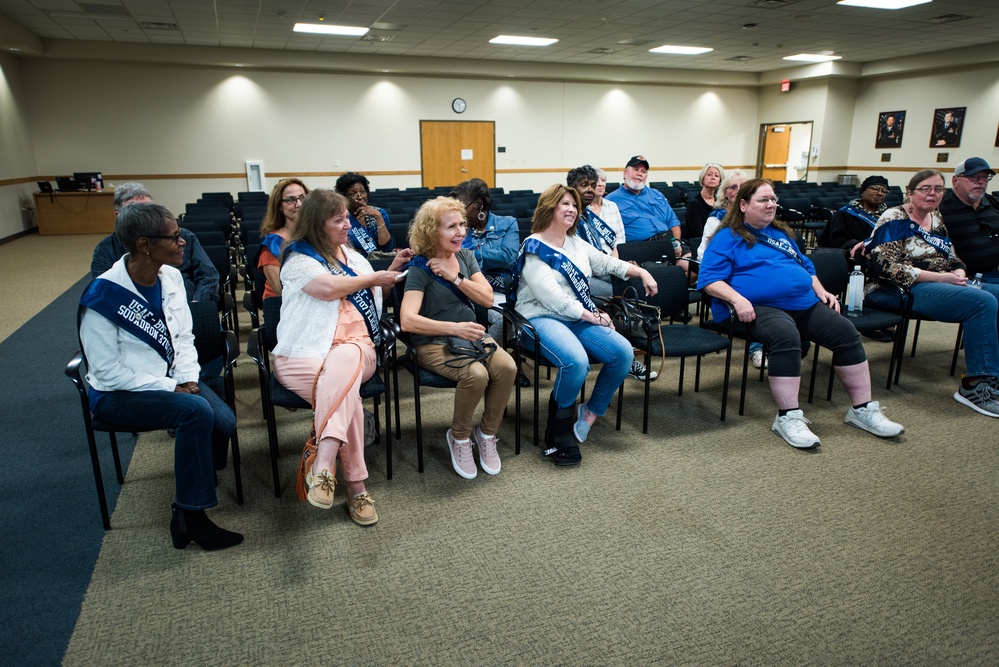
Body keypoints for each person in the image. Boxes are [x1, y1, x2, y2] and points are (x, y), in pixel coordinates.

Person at [79, 202, 241, 550]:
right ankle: (190, 516)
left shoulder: (170, 277)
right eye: (174, 236)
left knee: (224, 422)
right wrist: (172, 387)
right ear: (144, 244)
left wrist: (187, 377)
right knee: (195, 412)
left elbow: (183, 337)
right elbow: (107, 372)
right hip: (116, 394)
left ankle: (196, 474)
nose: (183, 242)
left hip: (170, 378)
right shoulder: (102, 297)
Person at [697, 178, 904, 449]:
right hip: (755, 307)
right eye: (763, 200)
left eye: (773, 199)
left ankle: (862, 410)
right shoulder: (727, 237)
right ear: (744, 205)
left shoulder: (780, 233)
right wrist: (737, 299)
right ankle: (788, 417)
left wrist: (821, 290)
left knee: (846, 333)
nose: (771, 204)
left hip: (802, 302)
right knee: (785, 335)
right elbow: (709, 280)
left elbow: (805, 266)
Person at [272, 189, 411, 524]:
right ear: (318, 224)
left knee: (346, 357)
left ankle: (323, 464)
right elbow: (328, 288)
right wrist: (375, 277)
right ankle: (357, 489)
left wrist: (388, 274)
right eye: (339, 219)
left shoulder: (356, 259)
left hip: (357, 348)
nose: (348, 224)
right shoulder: (297, 259)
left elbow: (374, 299)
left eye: (347, 217)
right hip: (301, 353)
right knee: (346, 397)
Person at [513, 184, 658, 466]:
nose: (572, 209)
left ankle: (590, 411)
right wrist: (593, 316)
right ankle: (558, 430)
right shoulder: (534, 246)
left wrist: (640, 271)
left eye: (574, 205)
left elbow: (608, 264)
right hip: (540, 317)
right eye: (564, 204)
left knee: (623, 352)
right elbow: (550, 296)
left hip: (576, 317)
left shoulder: (576, 243)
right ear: (549, 208)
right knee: (576, 361)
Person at [864, 169, 999, 418]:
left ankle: (993, 373)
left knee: (996, 293)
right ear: (910, 192)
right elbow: (886, 267)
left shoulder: (936, 218)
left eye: (938, 189)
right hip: (894, 289)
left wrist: (958, 270)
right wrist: (942, 278)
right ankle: (975, 386)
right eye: (925, 188)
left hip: (939, 283)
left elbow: (952, 255)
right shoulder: (895, 217)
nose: (932, 194)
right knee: (981, 301)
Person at [400, 197, 518, 479]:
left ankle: (487, 434)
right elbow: (407, 320)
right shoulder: (420, 267)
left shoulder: (465, 257)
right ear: (432, 231)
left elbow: (488, 298)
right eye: (451, 226)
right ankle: (460, 437)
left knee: (507, 367)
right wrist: (454, 329)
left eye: (462, 224)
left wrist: (456, 278)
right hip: (433, 343)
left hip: (471, 336)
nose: (461, 231)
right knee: (476, 375)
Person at [568, 164, 658, 382]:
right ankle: (624, 356)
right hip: (575, 280)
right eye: (584, 186)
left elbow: (603, 254)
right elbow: (588, 263)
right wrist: (620, 270)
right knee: (621, 293)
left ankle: (626, 353)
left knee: (629, 286)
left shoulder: (587, 215)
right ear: (571, 188)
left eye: (593, 185)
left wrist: (624, 267)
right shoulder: (570, 215)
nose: (590, 189)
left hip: (597, 272)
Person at [91, 182, 219, 304]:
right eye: (138, 213)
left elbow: (208, 276)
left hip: (189, 307)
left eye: (152, 210)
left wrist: (197, 305)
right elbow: (105, 293)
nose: (149, 217)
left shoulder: (183, 238)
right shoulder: (105, 249)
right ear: (119, 217)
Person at [697, 170, 768, 369]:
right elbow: (704, 254)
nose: (738, 191)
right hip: (727, 276)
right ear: (725, 193)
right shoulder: (716, 220)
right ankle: (758, 347)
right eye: (733, 187)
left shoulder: (757, 219)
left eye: (743, 187)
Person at [816, 175, 894, 343]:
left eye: (884, 191)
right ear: (863, 191)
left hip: (879, 256)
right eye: (875, 189)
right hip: (849, 256)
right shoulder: (846, 213)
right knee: (874, 265)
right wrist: (859, 245)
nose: (879, 193)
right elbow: (836, 238)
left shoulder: (889, 216)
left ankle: (884, 313)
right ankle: (868, 318)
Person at [605, 155, 691, 270]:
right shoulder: (611, 201)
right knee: (660, 272)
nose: (639, 173)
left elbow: (672, 222)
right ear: (624, 173)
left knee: (694, 266)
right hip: (641, 247)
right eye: (635, 170)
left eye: (643, 171)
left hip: (668, 241)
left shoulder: (657, 194)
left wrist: (676, 242)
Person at [449, 177, 519, 300]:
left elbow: (507, 258)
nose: (459, 215)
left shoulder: (508, 223)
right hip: (464, 287)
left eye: (463, 208)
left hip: (500, 288)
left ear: (479, 204)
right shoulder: (458, 228)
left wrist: (469, 255)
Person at [939, 157, 999, 283]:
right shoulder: (941, 208)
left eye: (984, 177)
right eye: (974, 177)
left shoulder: (994, 203)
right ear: (955, 181)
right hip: (969, 276)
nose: (980, 182)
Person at [257, 177, 309, 299]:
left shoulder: (317, 233)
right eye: (291, 200)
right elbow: (280, 291)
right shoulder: (272, 244)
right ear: (280, 207)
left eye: (302, 197)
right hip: (284, 306)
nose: (299, 204)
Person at [334, 172, 395, 257]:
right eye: (353, 193)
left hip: (378, 260)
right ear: (343, 196)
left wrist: (378, 217)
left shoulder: (379, 212)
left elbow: (387, 249)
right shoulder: (340, 217)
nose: (360, 196)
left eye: (362, 192)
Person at [684, 163, 724, 239]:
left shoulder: (721, 202)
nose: (713, 178)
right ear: (702, 178)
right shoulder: (694, 204)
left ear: (720, 181)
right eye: (709, 175)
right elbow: (698, 234)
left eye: (716, 175)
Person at [588, 168, 626, 247]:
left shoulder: (612, 206)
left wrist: (615, 256)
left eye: (603, 180)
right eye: (596, 180)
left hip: (612, 255)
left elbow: (620, 237)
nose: (600, 184)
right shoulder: (582, 208)